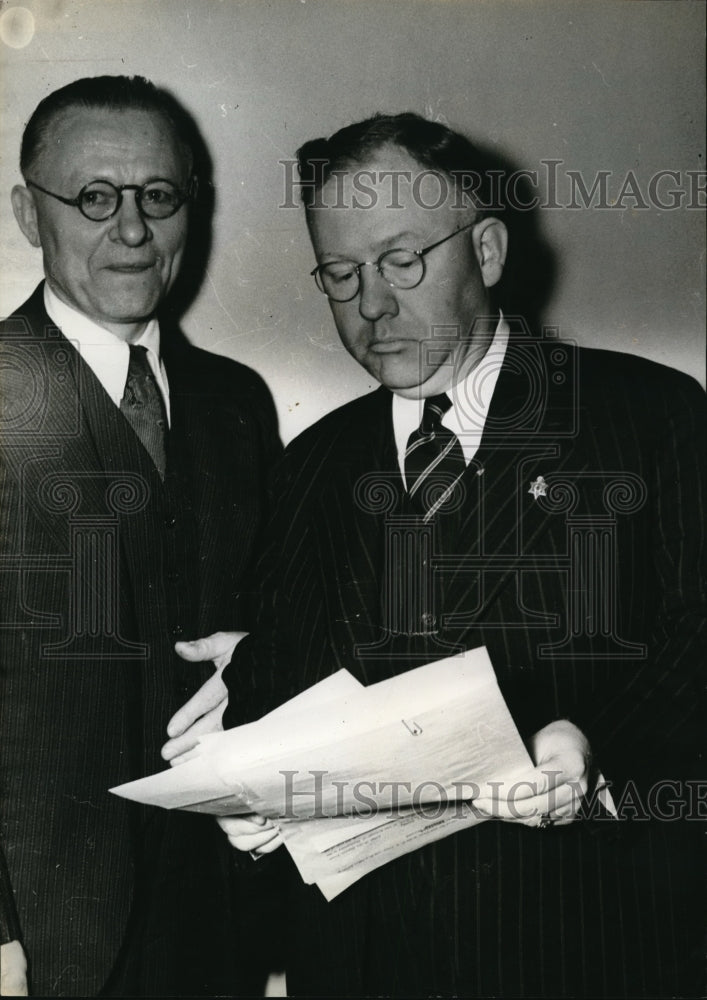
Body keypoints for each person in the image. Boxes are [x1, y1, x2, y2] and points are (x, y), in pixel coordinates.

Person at [164, 113, 706, 997]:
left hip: (584, 950)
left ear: (486, 252)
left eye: (401, 261)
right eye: (340, 276)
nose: (370, 304)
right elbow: (287, 680)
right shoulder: (308, 467)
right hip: (354, 964)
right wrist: (252, 789)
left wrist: (597, 748)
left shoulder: (647, 418)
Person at [0, 76, 282, 997]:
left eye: (157, 197)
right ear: (27, 214)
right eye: (93, 198)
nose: (131, 231)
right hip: (44, 942)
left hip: (227, 919)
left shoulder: (238, 404)